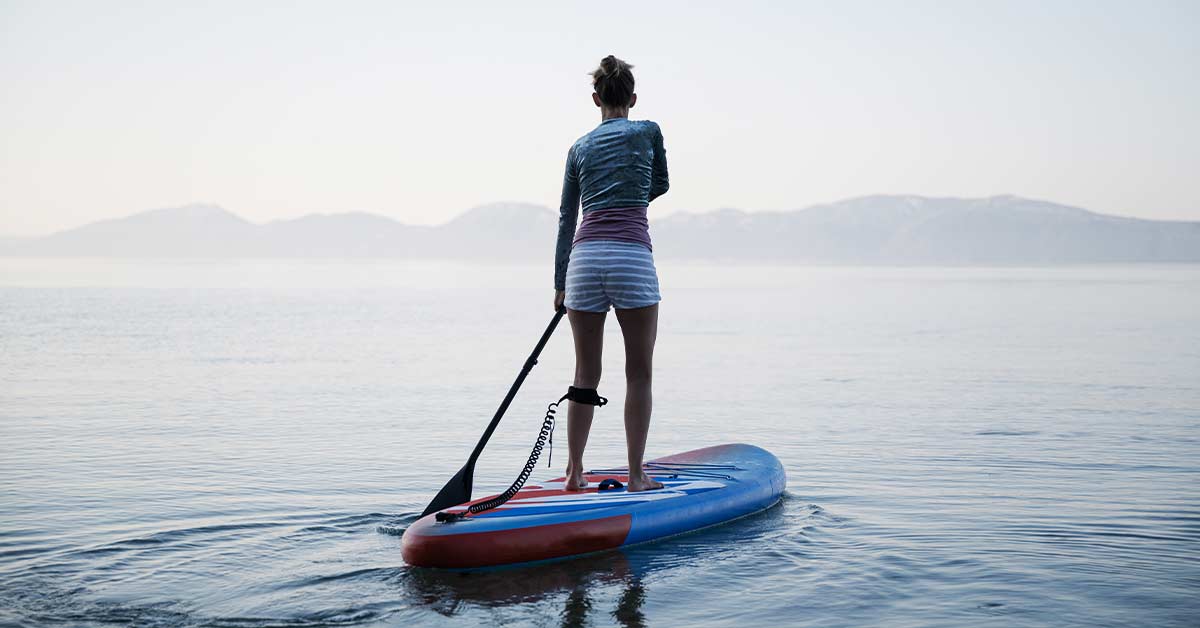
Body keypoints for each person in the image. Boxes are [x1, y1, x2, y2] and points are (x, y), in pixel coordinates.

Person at [553, 55, 668, 493]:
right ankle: (637, 476)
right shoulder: (648, 131)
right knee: (638, 373)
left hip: (582, 261)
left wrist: (560, 283)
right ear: (633, 98)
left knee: (585, 373)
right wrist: (632, 188)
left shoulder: (579, 147)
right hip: (631, 256)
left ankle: (573, 473)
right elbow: (660, 183)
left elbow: (567, 216)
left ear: (596, 98)